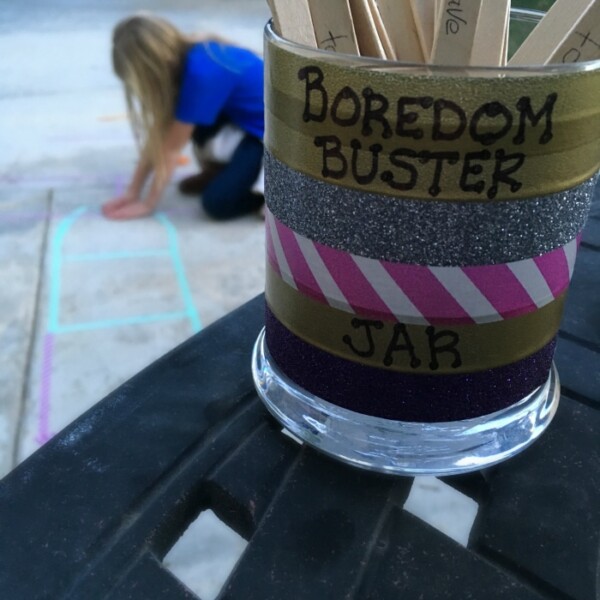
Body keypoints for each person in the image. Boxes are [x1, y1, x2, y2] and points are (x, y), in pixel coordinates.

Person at [102, 14, 265, 221]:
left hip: (270, 140)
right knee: (180, 120)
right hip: (245, 125)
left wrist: (147, 204)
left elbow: (170, 149)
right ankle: (225, 172)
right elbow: (159, 135)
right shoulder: (186, 55)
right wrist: (131, 193)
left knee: (217, 204)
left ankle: (267, 197)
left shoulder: (201, 74)